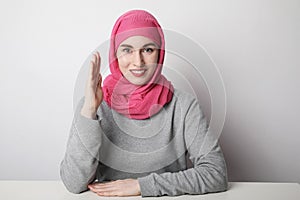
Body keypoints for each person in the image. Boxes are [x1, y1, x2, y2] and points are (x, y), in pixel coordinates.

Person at [60, 9, 228, 197]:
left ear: (160, 54)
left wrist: (142, 186)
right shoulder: (94, 104)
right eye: (127, 50)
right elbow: (74, 183)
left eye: (148, 50)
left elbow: (216, 173)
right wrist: (89, 110)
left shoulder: (184, 105)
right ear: (115, 54)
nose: (138, 61)